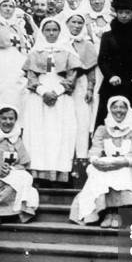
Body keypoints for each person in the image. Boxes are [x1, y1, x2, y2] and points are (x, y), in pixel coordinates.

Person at [69, 96, 132, 228]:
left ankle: (118, 213)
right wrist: (95, 161)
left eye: (122, 107)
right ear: (109, 109)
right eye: (115, 107)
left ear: (128, 110)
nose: (118, 110)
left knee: (122, 172)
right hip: (108, 164)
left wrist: (121, 163)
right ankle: (107, 213)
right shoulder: (102, 129)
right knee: (99, 173)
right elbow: (95, 149)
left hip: (130, 165)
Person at [22, 17, 82, 182]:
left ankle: (59, 174)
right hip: (38, 96)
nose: (51, 33)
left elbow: (72, 77)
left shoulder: (68, 53)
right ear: (42, 32)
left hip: (60, 97)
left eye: (54, 30)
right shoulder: (35, 53)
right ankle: (38, 174)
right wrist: (43, 91)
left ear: (60, 31)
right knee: (38, 134)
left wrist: (57, 91)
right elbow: (31, 77)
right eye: (47, 30)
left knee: (59, 134)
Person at [96, 0, 132, 149]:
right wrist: (110, 76)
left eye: (127, 12)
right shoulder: (108, 36)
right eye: (121, 12)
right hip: (113, 86)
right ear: (116, 13)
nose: (124, 16)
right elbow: (102, 60)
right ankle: (107, 154)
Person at [64, 12, 98, 176]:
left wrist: (90, 88)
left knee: (82, 122)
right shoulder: (60, 43)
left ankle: (80, 162)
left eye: (79, 23)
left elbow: (91, 69)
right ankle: (64, 162)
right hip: (62, 85)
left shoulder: (87, 44)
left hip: (81, 84)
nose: (76, 25)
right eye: (73, 22)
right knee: (66, 122)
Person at [0, 0, 29, 115]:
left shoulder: (17, 26)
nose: (8, 9)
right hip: (1, 58)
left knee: (19, 88)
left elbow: (24, 44)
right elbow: (3, 41)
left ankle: (19, 122)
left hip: (17, 60)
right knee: (2, 88)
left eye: (11, 6)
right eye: (4, 6)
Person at [84, 0, 113, 132]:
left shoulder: (111, 18)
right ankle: (90, 130)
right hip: (91, 59)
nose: (96, 1)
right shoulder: (85, 18)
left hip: (108, 61)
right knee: (91, 92)